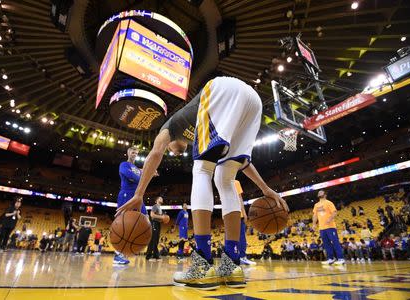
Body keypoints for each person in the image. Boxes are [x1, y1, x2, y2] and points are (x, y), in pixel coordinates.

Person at [117, 76, 288, 289]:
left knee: (201, 169)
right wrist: (266, 188)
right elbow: (241, 163)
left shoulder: (171, 126)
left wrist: (139, 194)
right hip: (252, 101)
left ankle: (202, 265)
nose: (173, 151)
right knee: (225, 177)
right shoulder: (201, 130)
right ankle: (231, 265)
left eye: (171, 148)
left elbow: (155, 153)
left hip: (221, 88)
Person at [115, 146, 145, 265]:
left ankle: (127, 248)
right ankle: (118, 255)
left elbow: (138, 176)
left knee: (144, 220)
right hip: (126, 194)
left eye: (136, 153)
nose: (135, 154)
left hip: (137, 196)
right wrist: (143, 177)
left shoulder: (137, 168)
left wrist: (147, 174)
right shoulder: (124, 164)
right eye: (133, 152)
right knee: (122, 223)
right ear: (128, 152)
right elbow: (130, 176)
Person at [312, 190, 345, 265]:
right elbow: (315, 215)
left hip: (330, 226)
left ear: (325, 195)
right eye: (319, 192)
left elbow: (335, 212)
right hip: (322, 228)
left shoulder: (329, 203)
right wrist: (314, 224)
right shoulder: (316, 205)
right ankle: (331, 258)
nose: (319, 192)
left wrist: (330, 219)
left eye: (321, 192)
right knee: (326, 244)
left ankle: (341, 258)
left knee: (335, 242)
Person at [235, 180, 256, 265]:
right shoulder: (235, 182)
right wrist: (244, 213)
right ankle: (242, 257)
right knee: (241, 237)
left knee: (230, 238)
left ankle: (232, 258)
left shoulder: (222, 180)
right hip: (237, 213)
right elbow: (239, 198)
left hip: (227, 213)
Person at [146, 197, 165, 261]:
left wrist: (163, 219)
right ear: (156, 200)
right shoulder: (155, 206)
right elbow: (152, 215)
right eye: (160, 198)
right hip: (154, 223)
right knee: (152, 240)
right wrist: (161, 217)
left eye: (162, 198)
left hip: (158, 223)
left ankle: (155, 256)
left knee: (156, 240)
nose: (161, 199)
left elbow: (159, 217)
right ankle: (148, 256)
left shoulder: (159, 208)